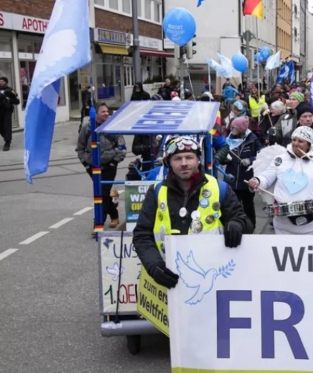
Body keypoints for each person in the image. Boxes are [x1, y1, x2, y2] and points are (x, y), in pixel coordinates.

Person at [132, 136, 254, 289]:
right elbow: (142, 235)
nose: (184, 163)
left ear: (198, 160)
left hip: (211, 276)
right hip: (168, 279)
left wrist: (237, 224)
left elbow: (245, 222)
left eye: (189, 157)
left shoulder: (220, 188)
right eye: (177, 158)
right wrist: (153, 265)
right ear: (168, 161)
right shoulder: (156, 191)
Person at [248, 127, 313, 235]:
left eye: (300, 141)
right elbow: (266, 177)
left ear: (308, 144)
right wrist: (257, 181)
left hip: (310, 225)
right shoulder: (280, 159)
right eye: (294, 140)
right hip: (283, 224)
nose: (296, 144)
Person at [76, 103, 127, 232]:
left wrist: (114, 162)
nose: (106, 113)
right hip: (93, 167)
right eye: (103, 111)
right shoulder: (87, 128)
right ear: (96, 114)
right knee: (102, 193)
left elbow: (122, 148)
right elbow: (80, 148)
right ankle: (114, 216)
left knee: (103, 193)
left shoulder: (112, 127)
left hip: (109, 165)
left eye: (107, 111)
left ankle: (98, 224)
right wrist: (86, 164)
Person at [224, 117, 263, 229]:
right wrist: (224, 159)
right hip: (231, 179)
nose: (231, 129)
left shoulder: (253, 140)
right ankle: (233, 226)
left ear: (241, 129)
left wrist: (250, 160)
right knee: (232, 205)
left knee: (248, 205)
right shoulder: (229, 139)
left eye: (234, 127)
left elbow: (261, 155)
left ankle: (251, 226)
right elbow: (221, 153)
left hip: (246, 179)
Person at [0, 76, 20, 151]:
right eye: (0, 81)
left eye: (2, 81)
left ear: (6, 82)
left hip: (7, 111)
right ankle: (6, 136)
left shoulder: (10, 90)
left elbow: (17, 101)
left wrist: (9, 99)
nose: (0, 82)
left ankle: (7, 142)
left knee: (7, 126)